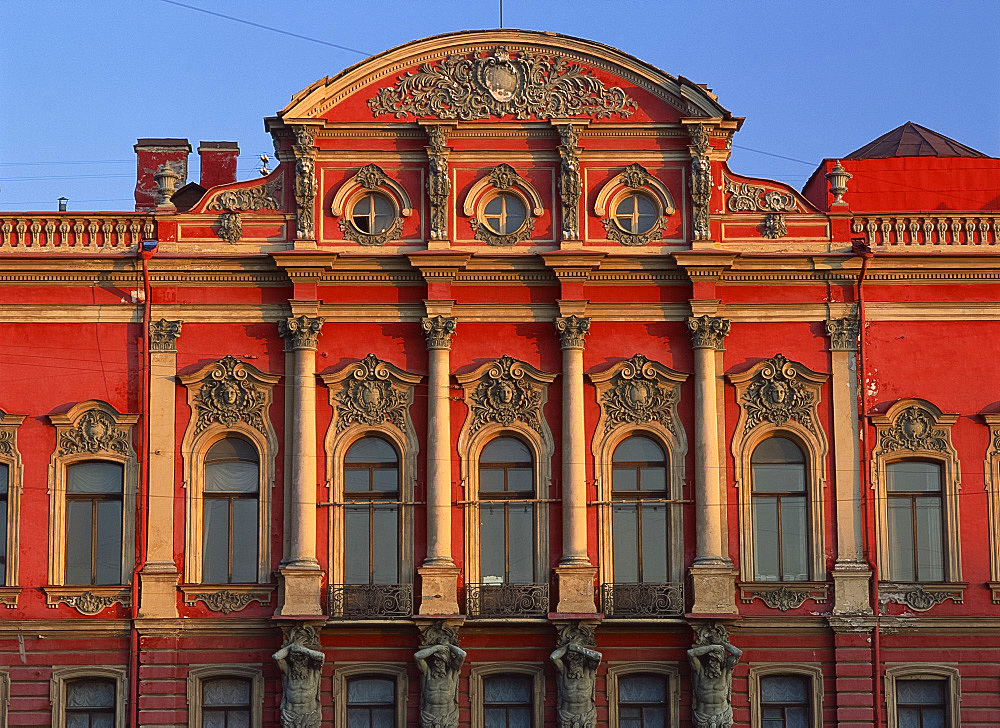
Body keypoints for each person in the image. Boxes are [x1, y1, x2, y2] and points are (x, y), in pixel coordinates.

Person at [687, 641, 742, 728]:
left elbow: (738, 653)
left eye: (715, 661)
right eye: (711, 660)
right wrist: (712, 647)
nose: (712, 663)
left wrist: (721, 643)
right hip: (702, 717)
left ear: (720, 662)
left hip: (723, 716)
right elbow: (690, 653)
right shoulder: (700, 672)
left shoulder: (725, 671)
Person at [272, 641, 324, 728]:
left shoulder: (313, 670)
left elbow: (321, 656)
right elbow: (276, 657)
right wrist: (290, 647)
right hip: (290, 715)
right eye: (295, 661)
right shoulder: (288, 671)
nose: (298, 664)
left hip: (310, 715)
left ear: (306, 660)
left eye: (301, 661)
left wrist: (302, 649)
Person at [550, 641, 602, 728]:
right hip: (566, 715)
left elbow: (598, 656)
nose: (575, 662)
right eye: (572, 659)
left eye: (578, 659)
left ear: (582, 659)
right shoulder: (563, 671)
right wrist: (567, 646)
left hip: (587, 715)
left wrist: (578, 649)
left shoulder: (589, 670)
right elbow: (553, 658)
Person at [414, 642, 466, 728]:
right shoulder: (428, 673)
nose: (439, 664)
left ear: (446, 662)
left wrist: (448, 645)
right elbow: (417, 656)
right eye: (437, 661)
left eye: (442, 661)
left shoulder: (451, 673)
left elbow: (462, 654)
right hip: (428, 718)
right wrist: (436, 648)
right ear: (433, 662)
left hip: (449, 718)